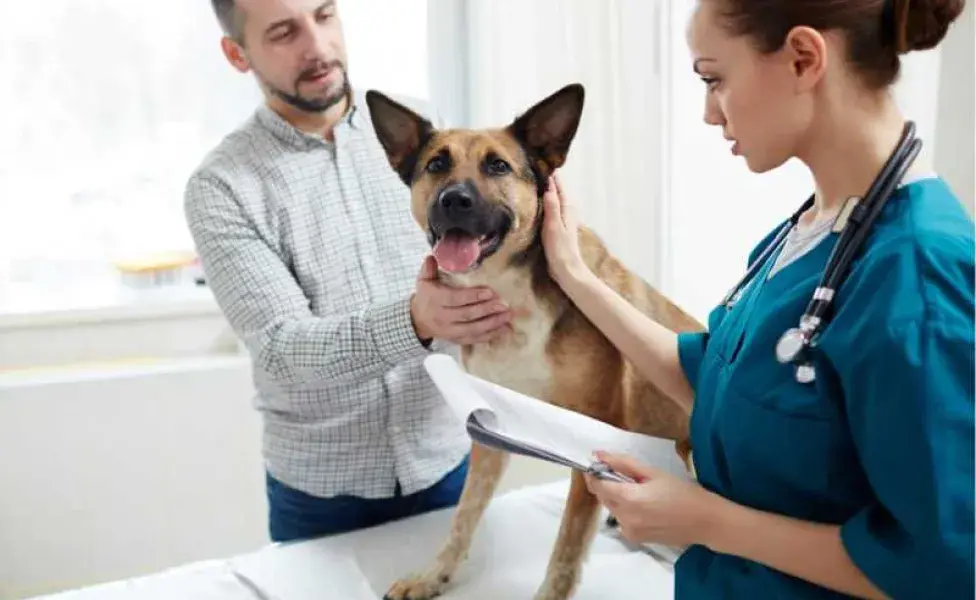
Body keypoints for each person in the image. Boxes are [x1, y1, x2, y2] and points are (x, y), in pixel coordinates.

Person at [541, 0, 974, 598]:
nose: (707, 113)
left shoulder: (916, 273)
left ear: (803, 58)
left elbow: (943, 570)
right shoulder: (812, 229)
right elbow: (714, 379)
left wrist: (703, 521)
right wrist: (574, 276)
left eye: (714, 79)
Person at [184, 0, 512, 543]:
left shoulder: (431, 142)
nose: (317, 46)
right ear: (237, 55)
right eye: (285, 32)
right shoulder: (222, 186)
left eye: (325, 15)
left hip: (449, 463)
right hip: (320, 500)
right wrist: (415, 322)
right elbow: (281, 350)